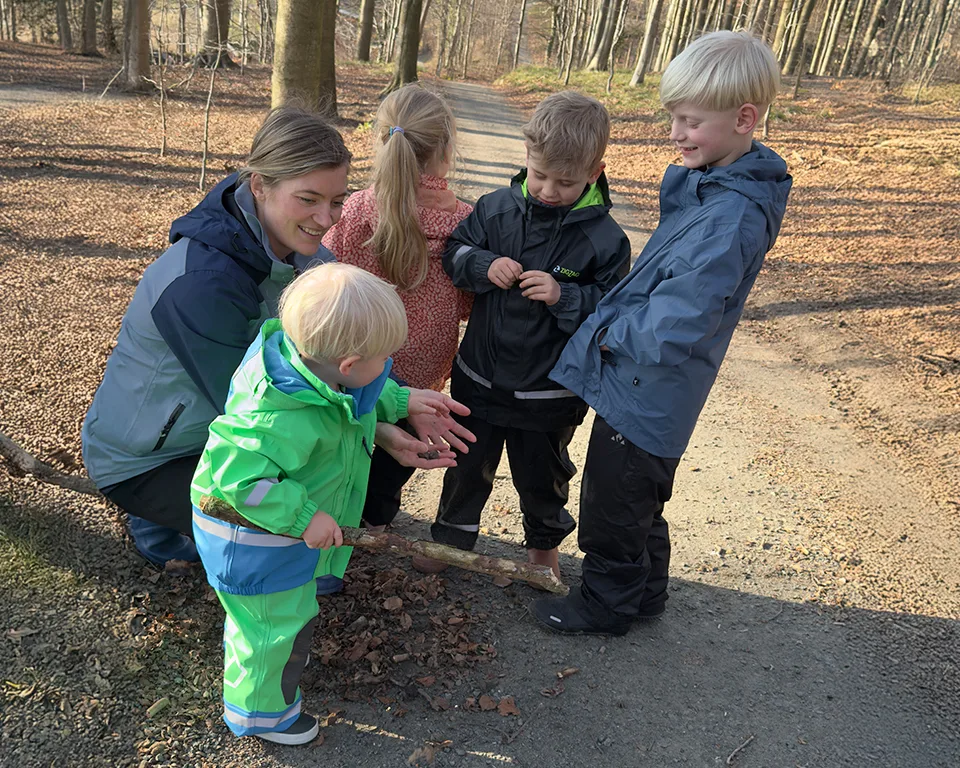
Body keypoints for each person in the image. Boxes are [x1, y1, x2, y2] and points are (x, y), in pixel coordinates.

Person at [81, 106, 461, 571]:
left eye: (337, 201)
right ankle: (155, 521)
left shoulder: (308, 257)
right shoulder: (202, 283)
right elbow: (258, 404)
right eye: (308, 199)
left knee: (312, 489)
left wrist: (399, 401)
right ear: (259, 184)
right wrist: (375, 430)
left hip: (219, 432)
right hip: (150, 455)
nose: (325, 219)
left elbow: (337, 356)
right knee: (290, 524)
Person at [530, 31, 793, 635]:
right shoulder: (714, 187)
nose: (675, 132)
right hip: (647, 384)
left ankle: (606, 605)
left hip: (649, 385)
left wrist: (608, 332)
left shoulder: (731, 215)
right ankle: (645, 594)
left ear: (743, 118)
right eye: (673, 116)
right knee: (640, 495)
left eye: (690, 120)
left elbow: (678, 321)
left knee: (614, 500)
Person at [190, 263, 460, 745]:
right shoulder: (275, 414)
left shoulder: (312, 368)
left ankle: (282, 660)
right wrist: (301, 515)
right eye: (386, 360)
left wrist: (397, 402)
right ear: (350, 365)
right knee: (269, 630)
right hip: (256, 540)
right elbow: (239, 480)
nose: (388, 367)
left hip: (281, 535)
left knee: (283, 618)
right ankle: (260, 714)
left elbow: (348, 403)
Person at [425, 91, 631, 578]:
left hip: (549, 392)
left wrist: (566, 297)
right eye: (539, 175)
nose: (548, 190)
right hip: (480, 377)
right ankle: (450, 543)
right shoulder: (495, 211)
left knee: (544, 475)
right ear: (526, 158)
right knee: (465, 465)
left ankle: (543, 552)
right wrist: (484, 264)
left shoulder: (605, 241)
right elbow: (454, 254)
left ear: (595, 172)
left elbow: (617, 314)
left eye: (566, 182)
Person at [322, 84, 475, 532]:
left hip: (356, 365)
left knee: (346, 443)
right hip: (423, 379)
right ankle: (374, 522)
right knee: (395, 461)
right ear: (446, 151)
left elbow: (325, 280)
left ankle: (333, 518)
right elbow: (469, 302)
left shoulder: (356, 210)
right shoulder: (469, 223)